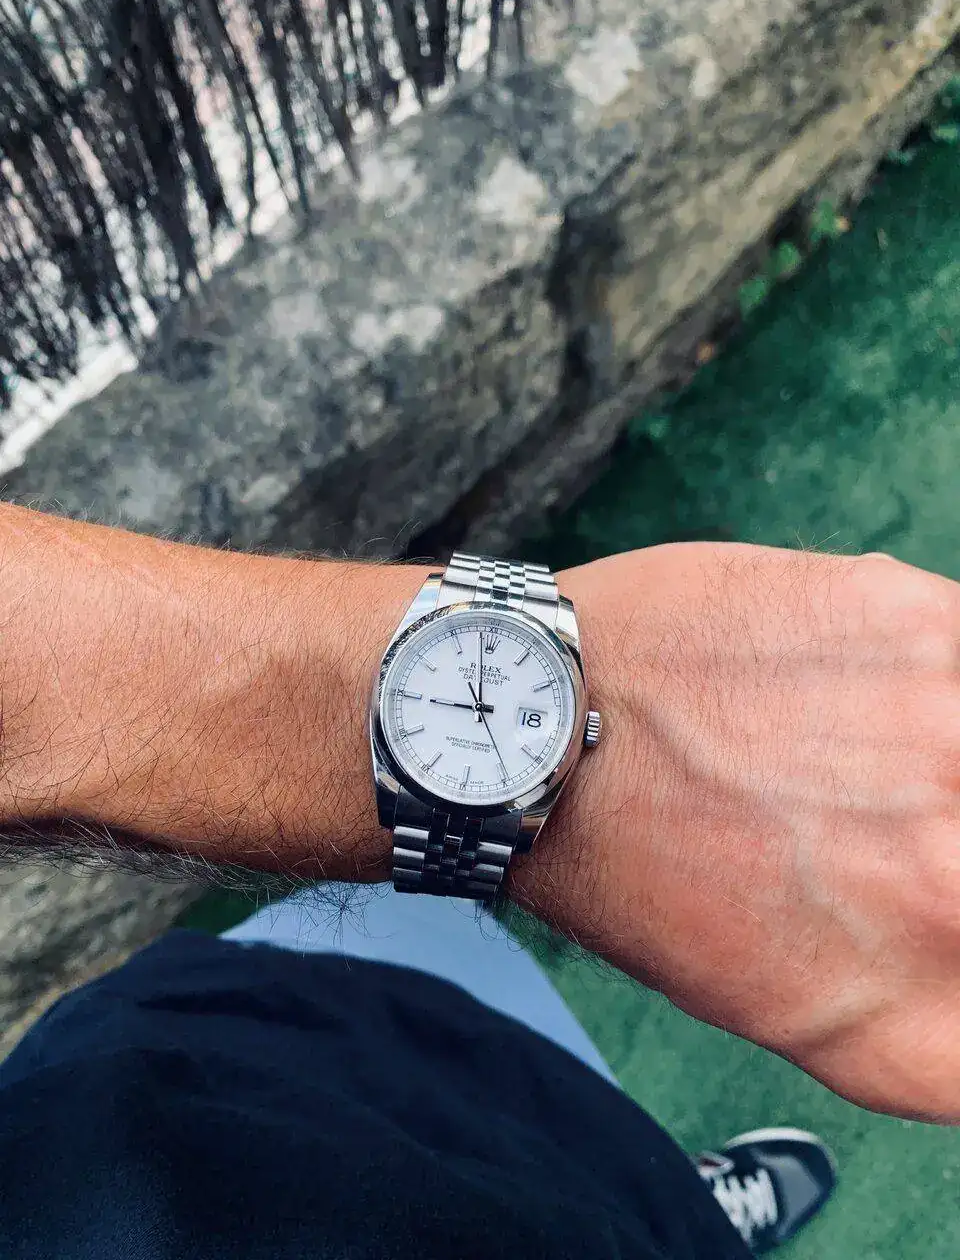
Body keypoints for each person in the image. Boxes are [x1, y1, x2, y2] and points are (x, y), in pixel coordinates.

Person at [0, 504, 957, 1258]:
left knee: (504, 1134)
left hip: (142, 1105)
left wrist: (332, 686)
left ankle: (656, 1197)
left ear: (580, 732)